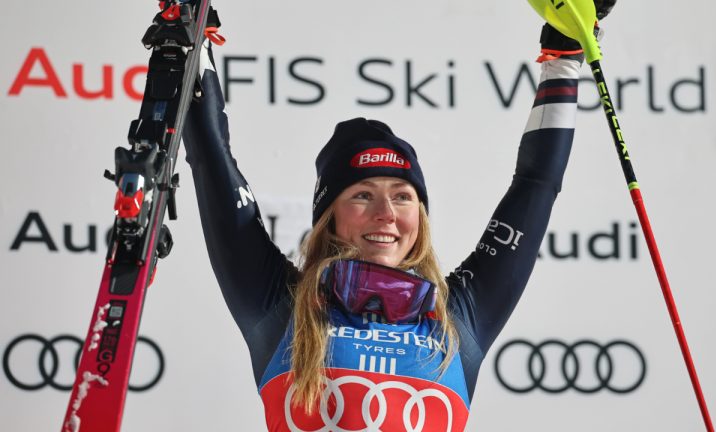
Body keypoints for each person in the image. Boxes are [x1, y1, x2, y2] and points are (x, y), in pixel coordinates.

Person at [182, 2, 615, 430]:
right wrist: (192, 36)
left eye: (403, 197)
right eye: (363, 195)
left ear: (420, 217)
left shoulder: (458, 317)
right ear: (330, 216)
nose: (386, 214)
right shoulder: (281, 307)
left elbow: (536, 186)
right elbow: (211, 162)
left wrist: (564, 56)